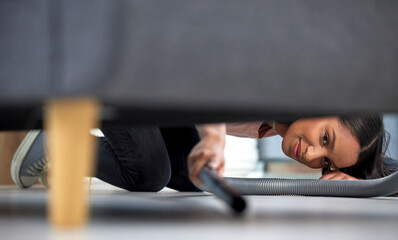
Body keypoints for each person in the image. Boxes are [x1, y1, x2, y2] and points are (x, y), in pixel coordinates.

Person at [10, 114, 398, 192]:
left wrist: (363, 184)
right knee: (149, 173)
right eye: (326, 139)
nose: (313, 156)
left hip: (165, 102)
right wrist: (213, 138)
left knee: (191, 177)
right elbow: (210, 80)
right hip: (138, 70)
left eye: (326, 163)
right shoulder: (278, 76)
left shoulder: (271, 125)